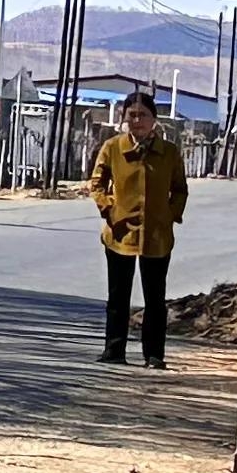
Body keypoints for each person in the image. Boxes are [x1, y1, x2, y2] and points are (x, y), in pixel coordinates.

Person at [90, 88, 188, 368]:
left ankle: (154, 355)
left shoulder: (168, 153)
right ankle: (114, 350)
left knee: (155, 300)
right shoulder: (113, 148)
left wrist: (171, 215)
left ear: (154, 119)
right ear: (123, 118)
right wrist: (109, 209)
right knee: (118, 297)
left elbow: (180, 189)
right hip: (120, 233)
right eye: (131, 115)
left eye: (142, 115)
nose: (137, 121)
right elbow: (96, 184)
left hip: (157, 236)